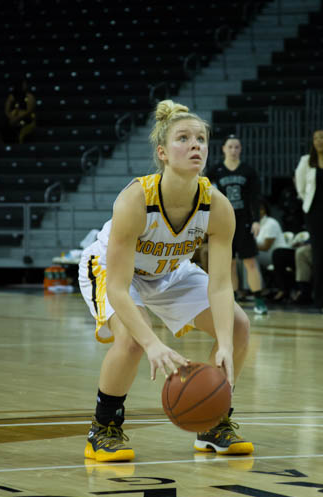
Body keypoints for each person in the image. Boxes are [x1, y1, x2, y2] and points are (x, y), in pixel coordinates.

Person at [78, 100, 254, 462]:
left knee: (236, 327)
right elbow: (116, 286)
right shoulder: (135, 199)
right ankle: (104, 428)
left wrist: (222, 343)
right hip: (113, 270)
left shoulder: (217, 207)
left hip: (168, 271)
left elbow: (220, 284)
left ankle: (214, 421)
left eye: (201, 139)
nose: (195, 145)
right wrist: (153, 343)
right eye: (184, 138)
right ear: (162, 152)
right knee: (131, 342)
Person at [208, 134, 268, 315]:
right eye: (230, 146)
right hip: (223, 222)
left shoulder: (248, 171)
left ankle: (259, 300)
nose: (233, 150)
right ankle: (233, 300)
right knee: (230, 263)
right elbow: (204, 192)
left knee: (250, 261)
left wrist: (256, 220)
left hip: (244, 222)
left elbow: (255, 198)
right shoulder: (215, 170)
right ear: (223, 149)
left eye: (237, 147)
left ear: (240, 149)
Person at [295, 129, 323, 313]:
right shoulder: (306, 161)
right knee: (318, 256)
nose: (319, 140)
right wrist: (309, 205)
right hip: (316, 214)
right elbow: (301, 187)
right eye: (315, 137)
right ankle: (321, 300)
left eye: (322, 137)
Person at [2, 79, 36, 144]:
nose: (25, 86)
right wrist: (11, 117)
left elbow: (29, 110)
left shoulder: (29, 96)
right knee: (5, 123)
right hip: (13, 117)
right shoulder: (11, 96)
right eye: (23, 84)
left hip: (25, 117)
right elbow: (7, 110)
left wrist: (18, 117)